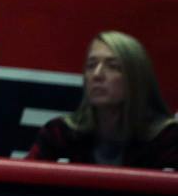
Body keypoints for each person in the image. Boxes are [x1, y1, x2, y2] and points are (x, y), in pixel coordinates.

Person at [28, 31, 178, 168]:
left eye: (113, 66)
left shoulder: (168, 138)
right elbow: (21, 186)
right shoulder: (59, 133)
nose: (97, 74)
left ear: (137, 78)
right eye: (91, 65)